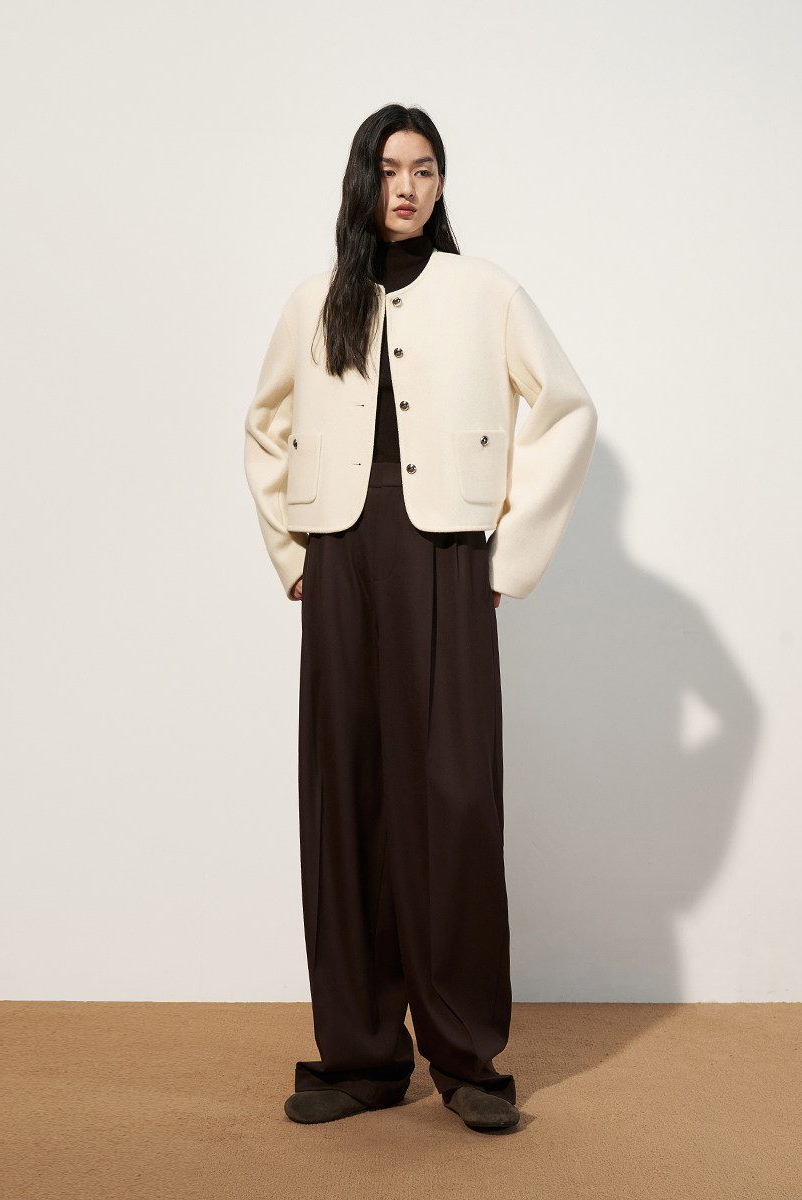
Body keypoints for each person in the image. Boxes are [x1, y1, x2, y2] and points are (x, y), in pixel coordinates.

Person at [243, 104, 597, 1132]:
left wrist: (507, 556)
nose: (407, 187)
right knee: (346, 796)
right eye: (390, 169)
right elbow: (263, 423)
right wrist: (292, 554)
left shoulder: (486, 292)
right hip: (341, 558)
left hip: (445, 555)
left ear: (442, 184)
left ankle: (465, 1056)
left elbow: (566, 408)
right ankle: (360, 1054)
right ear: (362, 181)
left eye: (426, 169)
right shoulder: (315, 302)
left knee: (452, 798)